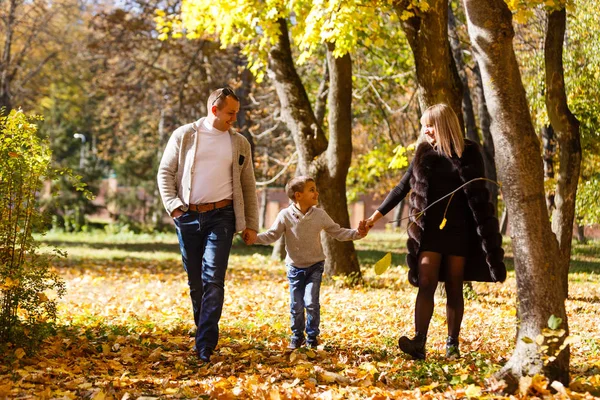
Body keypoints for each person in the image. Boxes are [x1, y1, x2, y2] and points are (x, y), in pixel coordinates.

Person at [363, 103, 506, 360]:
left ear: (442, 125)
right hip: (430, 231)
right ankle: (419, 342)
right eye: (423, 126)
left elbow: (480, 194)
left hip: (460, 230)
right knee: (426, 281)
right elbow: (400, 188)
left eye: (429, 125)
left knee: (454, 285)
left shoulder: (470, 152)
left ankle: (452, 345)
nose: (425, 131)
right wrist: (374, 217)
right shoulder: (423, 154)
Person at [157, 87, 259, 363]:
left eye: (236, 113)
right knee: (196, 282)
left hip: (222, 216)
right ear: (214, 110)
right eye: (230, 113)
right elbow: (165, 172)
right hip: (188, 216)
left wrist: (251, 223)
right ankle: (202, 329)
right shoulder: (185, 135)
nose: (234, 119)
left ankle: (205, 345)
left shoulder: (239, 143)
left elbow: (248, 184)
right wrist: (174, 207)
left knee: (214, 279)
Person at [247, 176, 367, 349]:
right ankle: (297, 336)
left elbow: (338, 232)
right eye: (311, 190)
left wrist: (357, 233)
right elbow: (271, 235)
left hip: (315, 266)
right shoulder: (285, 215)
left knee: (311, 302)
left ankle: (312, 338)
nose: (316, 193)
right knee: (296, 305)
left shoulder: (320, 215)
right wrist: (254, 238)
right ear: (298, 195)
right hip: (294, 268)